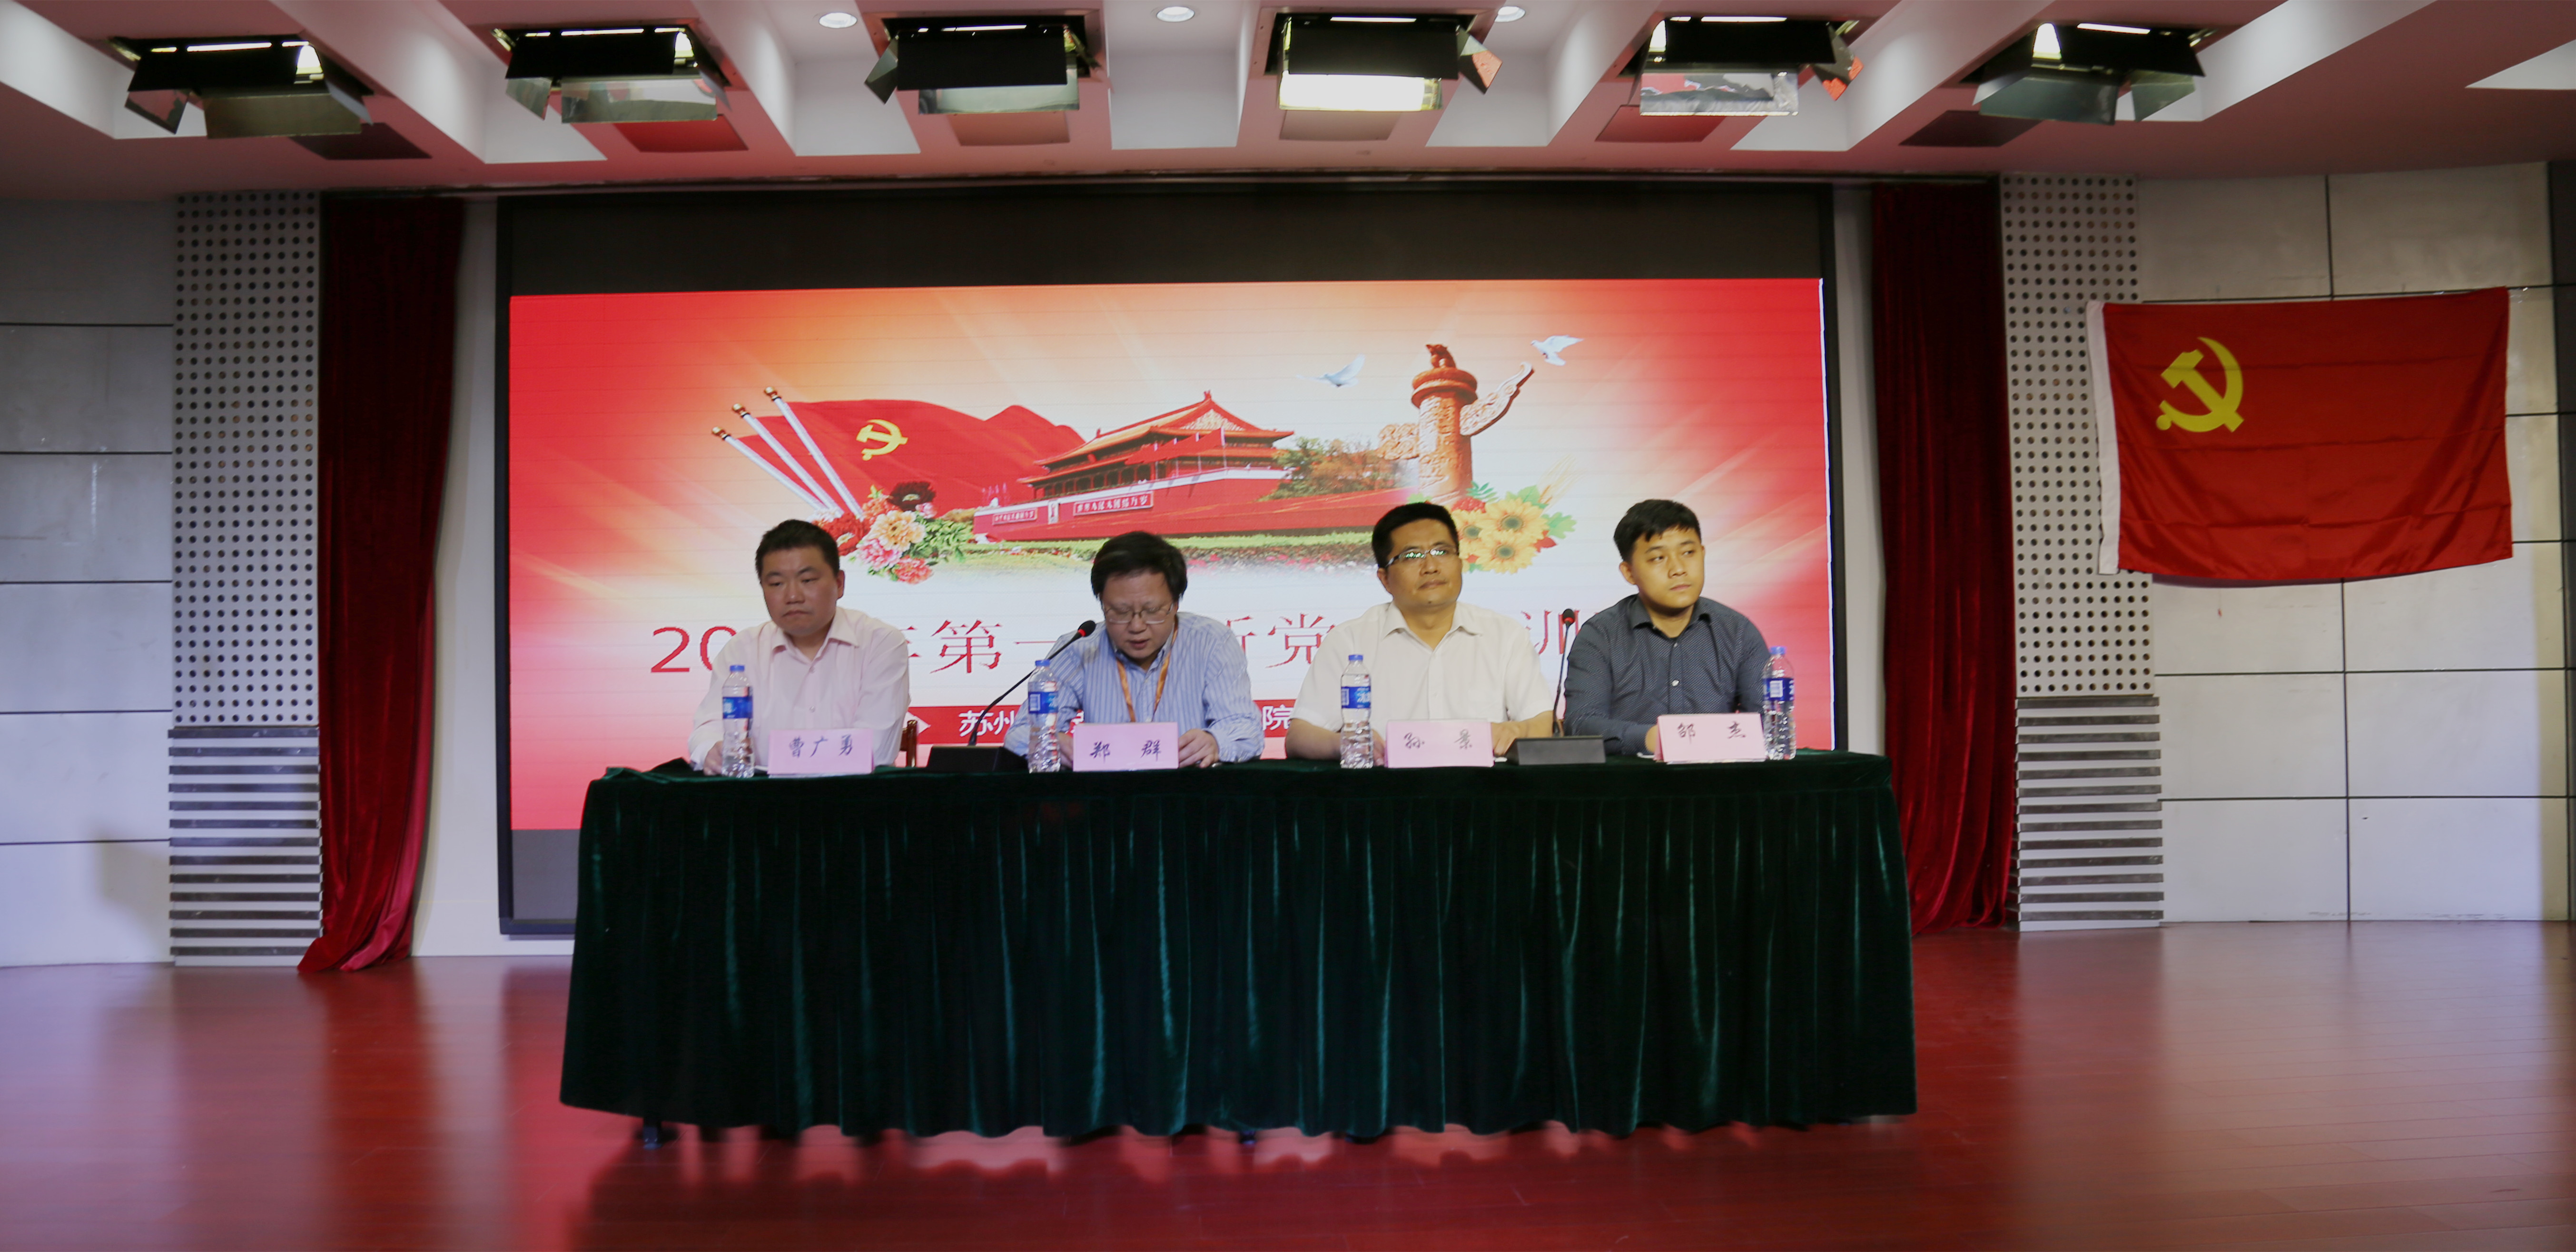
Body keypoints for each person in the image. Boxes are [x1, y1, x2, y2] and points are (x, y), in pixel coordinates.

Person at [1285, 502, 1554, 760]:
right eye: (1412, 556)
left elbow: (1541, 721)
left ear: (1460, 563)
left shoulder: (1505, 636)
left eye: (1442, 552)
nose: (1431, 567)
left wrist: (1516, 731)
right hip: (1385, 787)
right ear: (1385, 579)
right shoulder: (1350, 641)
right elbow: (1300, 736)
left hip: (1480, 787)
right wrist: (1348, 743)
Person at [1004, 530, 1261, 767]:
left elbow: (1246, 728)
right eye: (1120, 612)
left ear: (1175, 603)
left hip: (1189, 792)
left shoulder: (1211, 642)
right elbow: (1021, 732)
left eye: (1152, 611)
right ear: (1102, 603)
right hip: (1106, 794)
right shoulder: (1078, 649)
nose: (1137, 626)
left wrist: (1215, 741)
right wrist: (1050, 743)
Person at [689, 519, 911, 773]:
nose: (793, 596)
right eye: (776, 584)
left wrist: (788, 757)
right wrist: (711, 750)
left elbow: (876, 749)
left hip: (853, 793)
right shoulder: (742, 650)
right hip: (762, 796)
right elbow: (708, 727)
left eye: (808, 580)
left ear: (839, 583)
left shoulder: (881, 643)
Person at [1563, 499, 1769, 757]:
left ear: (1703, 554)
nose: (1678, 569)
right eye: (1658, 558)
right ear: (1629, 572)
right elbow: (1581, 724)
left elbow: (1769, 722)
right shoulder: (1601, 636)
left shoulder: (1738, 633)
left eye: (1688, 553)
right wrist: (1653, 739)